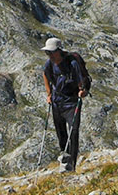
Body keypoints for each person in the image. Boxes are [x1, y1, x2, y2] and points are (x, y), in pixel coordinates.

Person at [41, 37, 86, 172]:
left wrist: (82, 91)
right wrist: (49, 94)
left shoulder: (72, 64)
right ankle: (65, 160)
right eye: (47, 53)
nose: (49, 55)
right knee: (61, 133)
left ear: (59, 51)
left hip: (72, 103)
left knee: (73, 132)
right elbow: (45, 74)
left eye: (51, 52)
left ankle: (72, 164)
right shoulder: (50, 64)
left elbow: (80, 81)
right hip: (57, 102)